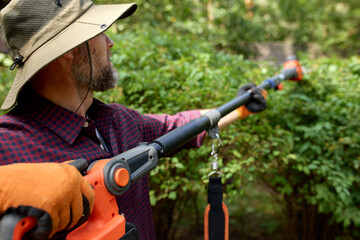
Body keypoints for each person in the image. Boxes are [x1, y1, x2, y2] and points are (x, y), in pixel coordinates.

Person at [0, 0, 267, 239]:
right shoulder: (10, 146)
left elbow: (179, 126)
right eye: (100, 32)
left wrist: (242, 107)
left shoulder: (118, 121)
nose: (110, 42)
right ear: (70, 50)